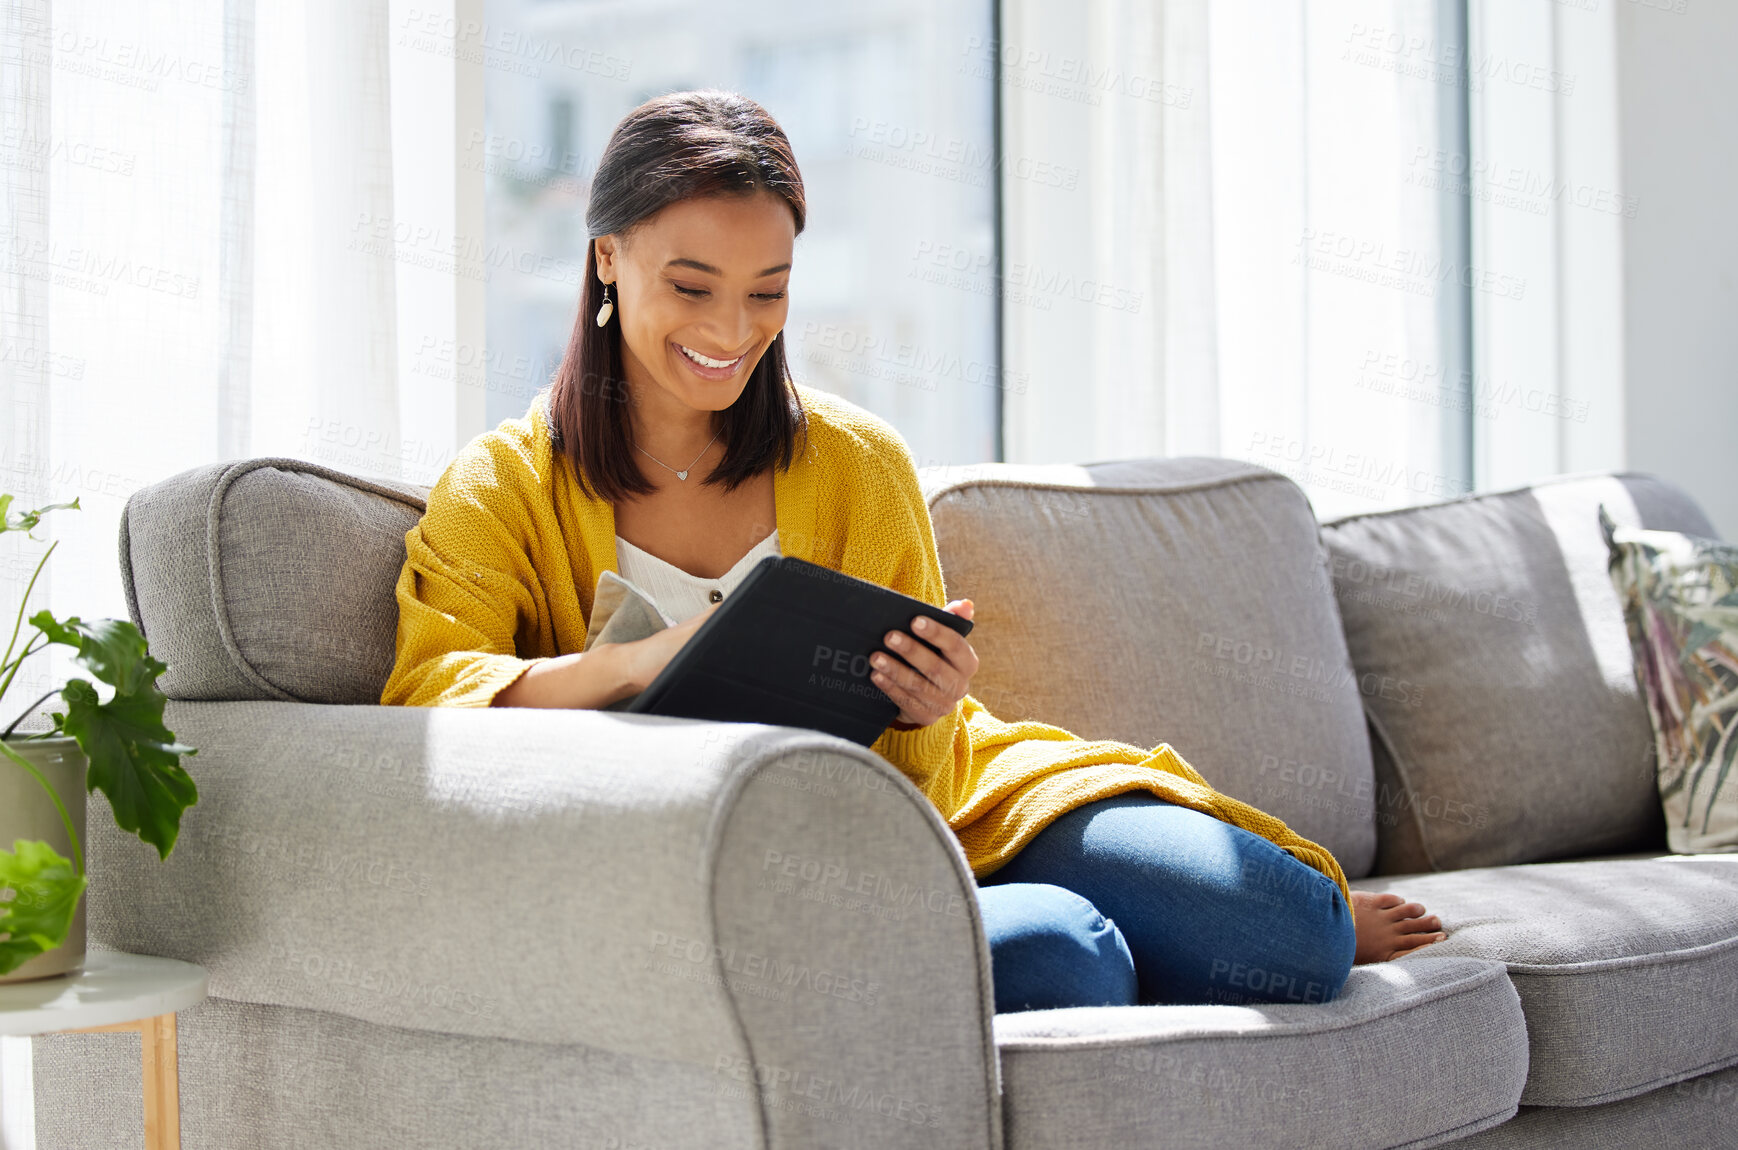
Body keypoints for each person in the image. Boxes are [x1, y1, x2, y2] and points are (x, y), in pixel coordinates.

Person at [380, 88, 1445, 1014]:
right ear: (607, 259)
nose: (733, 330)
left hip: (948, 801)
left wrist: (926, 703)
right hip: (739, 861)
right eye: (692, 286)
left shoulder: (854, 459)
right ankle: (1047, 938)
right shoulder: (506, 480)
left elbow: (925, 769)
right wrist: (634, 664)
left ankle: (1063, 928)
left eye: (769, 290)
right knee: (1064, 956)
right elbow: (427, 704)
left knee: (1301, 938)